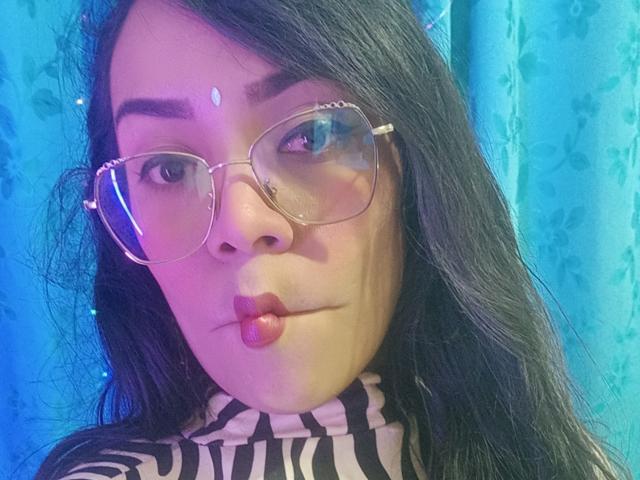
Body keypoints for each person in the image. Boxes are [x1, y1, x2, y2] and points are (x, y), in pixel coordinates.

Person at [34, 0, 632, 479]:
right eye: (167, 170)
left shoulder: (554, 461)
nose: (241, 224)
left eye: (312, 137)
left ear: (412, 162)